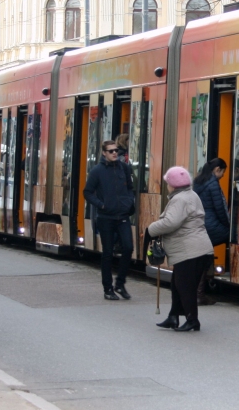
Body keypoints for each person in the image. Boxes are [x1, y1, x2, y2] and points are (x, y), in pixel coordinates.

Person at [147, 167, 214, 332]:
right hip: (198, 249)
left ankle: (192, 320)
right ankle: (173, 316)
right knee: (177, 285)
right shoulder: (191, 195)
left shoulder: (180, 200)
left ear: (172, 184)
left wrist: (151, 229)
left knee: (185, 286)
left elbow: (170, 223)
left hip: (190, 251)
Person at [83, 140, 135, 301]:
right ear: (104, 153)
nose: (114, 153)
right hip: (106, 217)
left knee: (128, 248)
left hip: (123, 216)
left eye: (116, 150)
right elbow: (87, 192)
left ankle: (120, 283)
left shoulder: (124, 168)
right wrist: (101, 205)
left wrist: (129, 203)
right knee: (107, 253)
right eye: (111, 151)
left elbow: (130, 188)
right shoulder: (97, 171)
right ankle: (108, 289)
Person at [192, 158, 229, 305]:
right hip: (211, 225)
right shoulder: (213, 183)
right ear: (217, 169)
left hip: (200, 224)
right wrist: (228, 226)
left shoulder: (198, 181)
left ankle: (199, 293)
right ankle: (199, 294)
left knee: (204, 256)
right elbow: (219, 208)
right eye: (223, 172)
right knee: (233, 238)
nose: (223, 176)